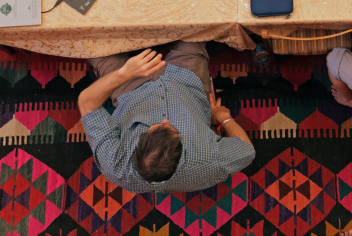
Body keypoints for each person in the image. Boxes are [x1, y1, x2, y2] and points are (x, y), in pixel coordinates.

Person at [78, 42, 255, 193]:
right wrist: (224, 118)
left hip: (129, 90)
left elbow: (86, 102)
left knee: (92, 43)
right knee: (196, 21)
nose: (165, 120)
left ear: (135, 150)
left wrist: (124, 73)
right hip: (187, 84)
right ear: (182, 154)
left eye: (153, 128)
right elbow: (247, 150)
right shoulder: (209, 162)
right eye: (172, 129)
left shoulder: (115, 163)